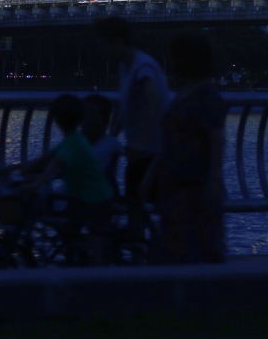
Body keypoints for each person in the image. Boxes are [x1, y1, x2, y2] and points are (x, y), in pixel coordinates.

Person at [0, 94, 114, 253]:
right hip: (75, 198)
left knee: (11, 193)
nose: (87, 122)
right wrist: (16, 169)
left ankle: (1, 237)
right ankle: (5, 238)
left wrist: (32, 182)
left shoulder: (77, 143)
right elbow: (46, 161)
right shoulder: (76, 141)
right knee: (11, 188)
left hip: (74, 201)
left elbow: (52, 167)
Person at [143, 30, 226, 264]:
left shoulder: (206, 96)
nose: (173, 62)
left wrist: (213, 181)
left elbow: (217, 139)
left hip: (194, 186)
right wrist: (151, 175)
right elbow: (169, 140)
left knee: (194, 252)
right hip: (174, 184)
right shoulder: (184, 94)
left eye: (177, 57)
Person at [95, 16, 169, 235]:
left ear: (117, 40)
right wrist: (112, 134)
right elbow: (125, 104)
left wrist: (139, 143)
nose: (100, 48)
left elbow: (154, 103)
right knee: (135, 207)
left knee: (137, 208)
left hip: (154, 154)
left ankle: (143, 259)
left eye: (102, 42)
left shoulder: (142, 65)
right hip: (144, 153)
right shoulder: (125, 66)